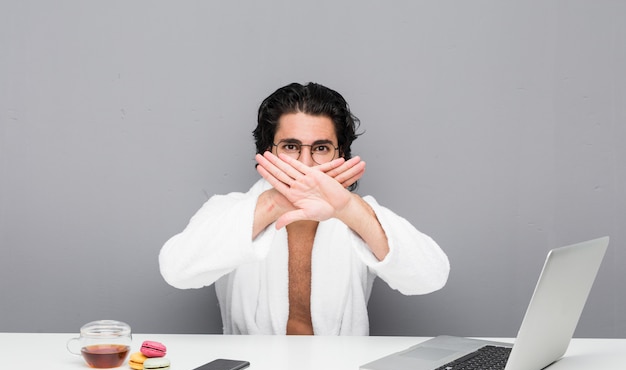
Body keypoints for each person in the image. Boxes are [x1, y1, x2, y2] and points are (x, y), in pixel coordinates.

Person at [159, 82, 449, 335]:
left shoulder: (359, 216)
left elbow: (430, 277)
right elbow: (176, 270)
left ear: (342, 155)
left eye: (321, 148)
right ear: (267, 152)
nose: (305, 164)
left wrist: (349, 208)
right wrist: (277, 201)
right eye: (290, 147)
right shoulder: (229, 210)